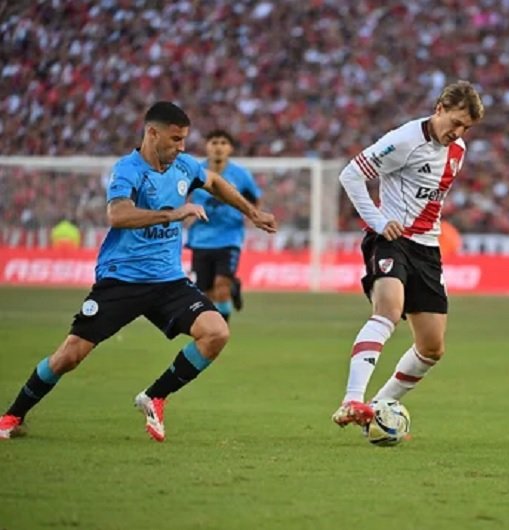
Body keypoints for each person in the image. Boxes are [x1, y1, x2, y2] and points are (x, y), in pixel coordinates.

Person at [0, 102, 277, 442]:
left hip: (168, 281)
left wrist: (253, 212)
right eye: (176, 139)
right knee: (70, 355)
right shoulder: (127, 170)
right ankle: (13, 416)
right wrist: (174, 214)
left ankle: (155, 396)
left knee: (216, 332)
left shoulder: (185, 166)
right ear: (152, 133)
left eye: (185, 139)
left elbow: (215, 182)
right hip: (122, 280)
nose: (182, 147)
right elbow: (119, 216)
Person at [331, 80, 484, 427]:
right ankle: (351, 400)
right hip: (390, 239)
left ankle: (378, 408)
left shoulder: (458, 151)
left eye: (466, 128)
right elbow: (351, 175)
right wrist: (379, 220)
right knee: (388, 310)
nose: (458, 132)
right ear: (440, 108)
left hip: (427, 250)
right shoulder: (403, 140)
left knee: (432, 347)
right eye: (455, 122)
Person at [187, 129, 261, 321]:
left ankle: (221, 332)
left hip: (229, 238)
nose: (218, 147)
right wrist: (185, 214)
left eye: (223, 143)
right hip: (201, 239)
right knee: (206, 294)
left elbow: (254, 200)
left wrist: (253, 217)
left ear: (230, 148)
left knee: (221, 288)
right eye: (214, 142)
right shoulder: (195, 173)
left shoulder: (241, 175)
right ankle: (233, 286)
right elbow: (181, 197)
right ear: (207, 147)